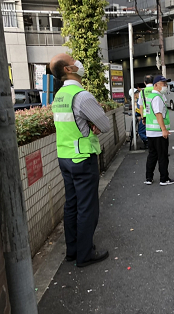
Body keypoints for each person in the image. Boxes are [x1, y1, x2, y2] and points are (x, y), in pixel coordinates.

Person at [50, 53, 110, 267]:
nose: (78, 62)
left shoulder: (58, 96)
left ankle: (72, 250)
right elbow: (105, 124)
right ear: (68, 69)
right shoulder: (82, 96)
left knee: (72, 205)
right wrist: (94, 125)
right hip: (83, 157)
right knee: (87, 207)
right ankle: (85, 255)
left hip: (64, 157)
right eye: (73, 60)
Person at [144, 75, 174, 186]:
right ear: (156, 85)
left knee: (152, 155)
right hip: (158, 132)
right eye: (163, 84)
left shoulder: (151, 96)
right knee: (162, 155)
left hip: (150, 131)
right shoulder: (157, 97)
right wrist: (164, 129)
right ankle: (164, 179)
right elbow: (158, 114)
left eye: (166, 84)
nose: (165, 86)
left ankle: (149, 177)